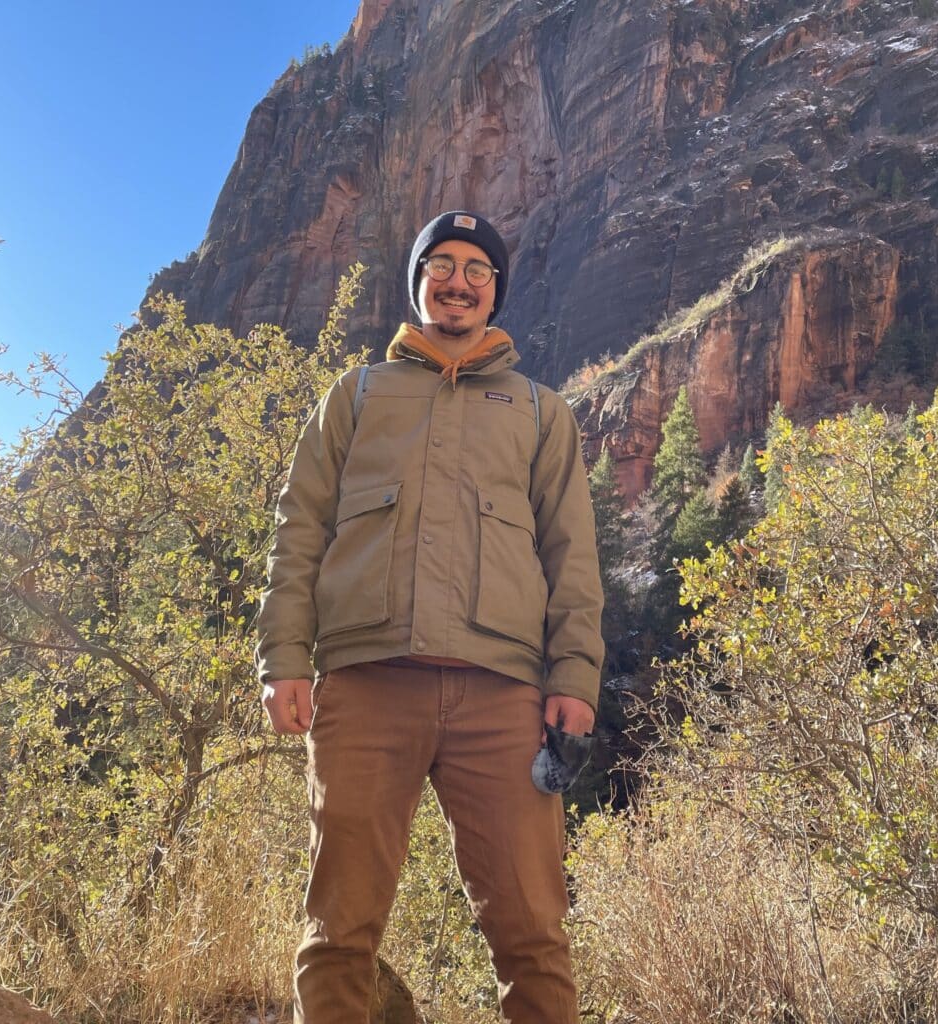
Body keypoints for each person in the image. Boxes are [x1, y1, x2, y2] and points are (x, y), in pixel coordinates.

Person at [256, 210, 604, 1024]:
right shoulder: (356, 394)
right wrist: (283, 658)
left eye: (477, 269)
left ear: (496, 292)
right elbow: (298, 529)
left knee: (532, 933)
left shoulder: (541, 412)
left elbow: (573, 560)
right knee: (339, 928)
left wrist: (575, 679)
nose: (458, 280)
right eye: (441, 265)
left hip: (504, 700)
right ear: (417, 285)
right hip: (366, 689)